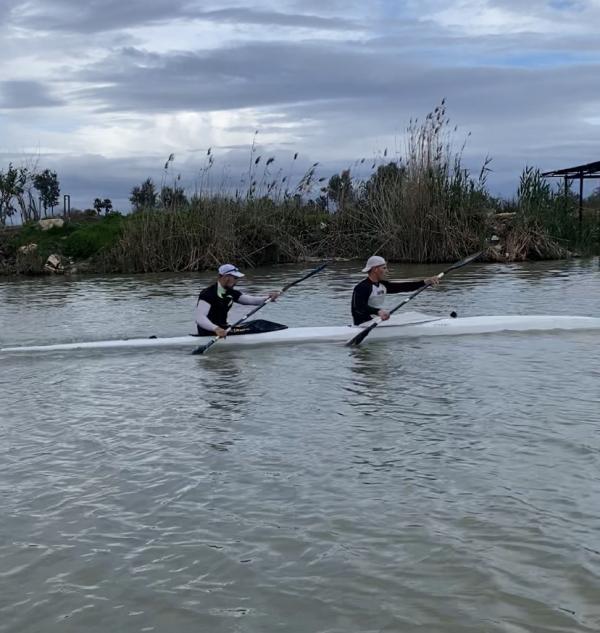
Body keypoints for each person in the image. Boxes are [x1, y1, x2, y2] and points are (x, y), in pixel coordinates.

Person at [195, 264, 280, 337]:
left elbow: (250, 300)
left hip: (224, 329)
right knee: (256, 326)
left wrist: (268, 298)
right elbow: (200, 318)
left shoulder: (230, 292)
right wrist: (216, 329)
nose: (236, 281)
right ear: (226, 277)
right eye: (235, 278)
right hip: (210, 331)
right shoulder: (207, 293)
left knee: (259, 323)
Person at [351, 256, 440, 325]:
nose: (387, 271)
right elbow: (358, 307)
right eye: (384, 268)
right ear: (375, 269)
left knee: (409, 315)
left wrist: (425, 282)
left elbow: (404, 287)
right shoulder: (362, 287)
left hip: (377, 321)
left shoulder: (383, 285)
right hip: (363, 325)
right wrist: (378, 311)